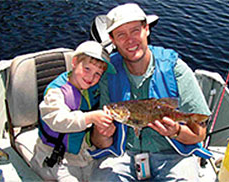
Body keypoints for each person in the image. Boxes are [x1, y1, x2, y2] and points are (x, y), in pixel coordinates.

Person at [89, 3, 212, 181]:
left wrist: (176, 131)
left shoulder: (176, 69)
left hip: (173, 155)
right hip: (122, 154)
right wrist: (103, 132)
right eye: (121, 35)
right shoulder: (108, 73)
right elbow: (100, 143)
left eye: (135, 31)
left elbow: (199, 134)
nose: (130, 40)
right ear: (112, 39)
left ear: (146, 29)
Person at [30, 40, 116, 182]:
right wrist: (90, 118)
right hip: (55, 156)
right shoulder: (56, 92)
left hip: (83, 153)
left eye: (97, 74)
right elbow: (57, 120)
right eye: (87, 69)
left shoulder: (93, 88)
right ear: (75, 62)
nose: (90, 77)